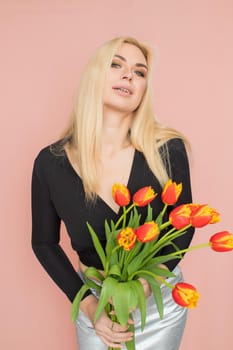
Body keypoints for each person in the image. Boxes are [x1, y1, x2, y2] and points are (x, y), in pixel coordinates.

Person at [31, 36, 194, 350]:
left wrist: (146, 284)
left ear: (144, 89)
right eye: (116, 65)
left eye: (140, 71)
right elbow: (43, 243)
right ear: (94, 76)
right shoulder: (50, 164)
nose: (129, 75)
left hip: (159, 303)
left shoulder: (167, 149)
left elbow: (183, 223)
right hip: (96, 306)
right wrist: (90, 307)